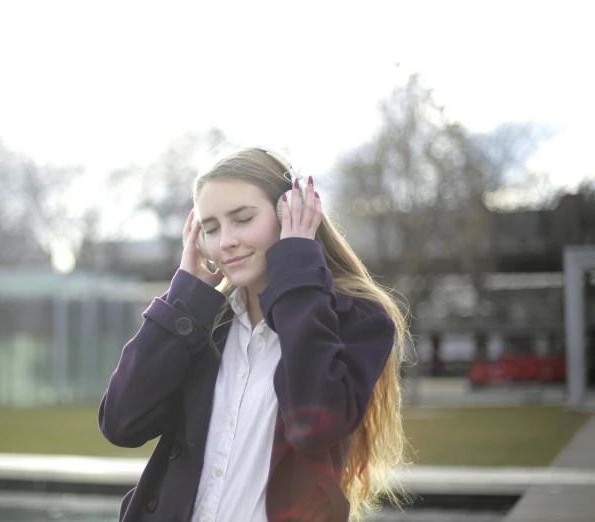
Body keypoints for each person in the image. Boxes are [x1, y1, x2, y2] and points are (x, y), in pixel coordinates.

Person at [99, 147, 410, 522]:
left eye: (243, 219)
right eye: (211, 228)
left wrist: (296, 268)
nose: (225, 241)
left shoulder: (358, 318)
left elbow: (314, 428)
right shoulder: (202, 324)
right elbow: (121, 422)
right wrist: (182, 298)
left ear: (291, 214)